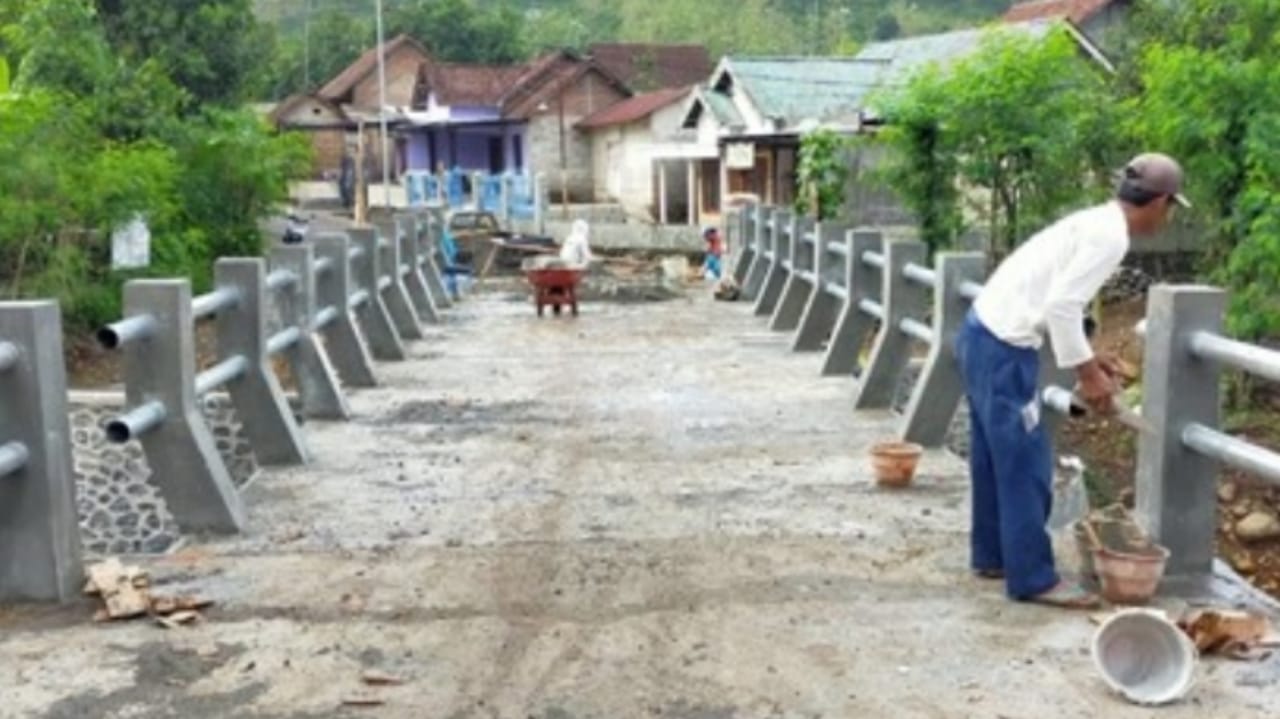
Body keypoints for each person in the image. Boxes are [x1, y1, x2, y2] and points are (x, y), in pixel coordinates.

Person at [955, 152, 1189, 609]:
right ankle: (1034, 579)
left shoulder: (1094, 221)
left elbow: (1056, 298)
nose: (1168, 216)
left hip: (979, 332)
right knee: (1026, 465)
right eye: (1171, 207)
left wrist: (1089, 354)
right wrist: (1088, 376)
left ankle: (994, 555)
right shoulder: (1111, 238)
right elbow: (1061, 307)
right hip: (1004, 348)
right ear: (1160, 201)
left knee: (991, 457)